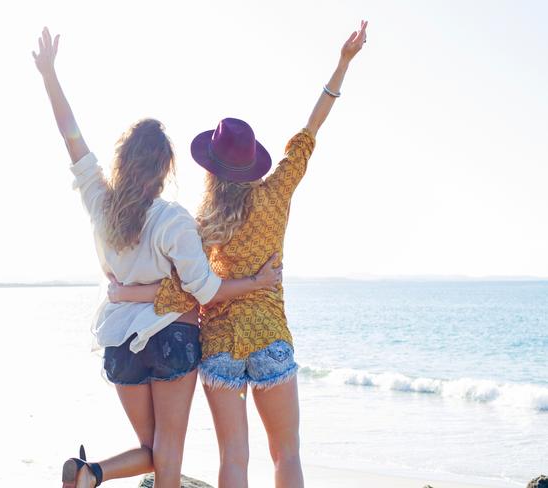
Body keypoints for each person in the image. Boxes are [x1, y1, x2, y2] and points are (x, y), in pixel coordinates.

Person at [110, 21, 368, 488]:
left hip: (220, 342)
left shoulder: (200, 224)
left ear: (212, 168)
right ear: (253, 163)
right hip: (270, 334)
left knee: (234, 457)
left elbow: (184, 289)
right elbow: (310, 130)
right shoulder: (277, 194)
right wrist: (342, 64)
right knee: (286, 454)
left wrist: (127, 291)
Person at [32, 27, 282, 488]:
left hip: (118, 341)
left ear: (123, 161)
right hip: (173, 339)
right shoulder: (173, 220)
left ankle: (91, 474)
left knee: (152, 451)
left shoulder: (100, 204)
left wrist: (49, 76)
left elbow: (75, 144)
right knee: (167, 452)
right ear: (165, 168)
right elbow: (206, 290)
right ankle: (93, 474)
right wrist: (256, 283)